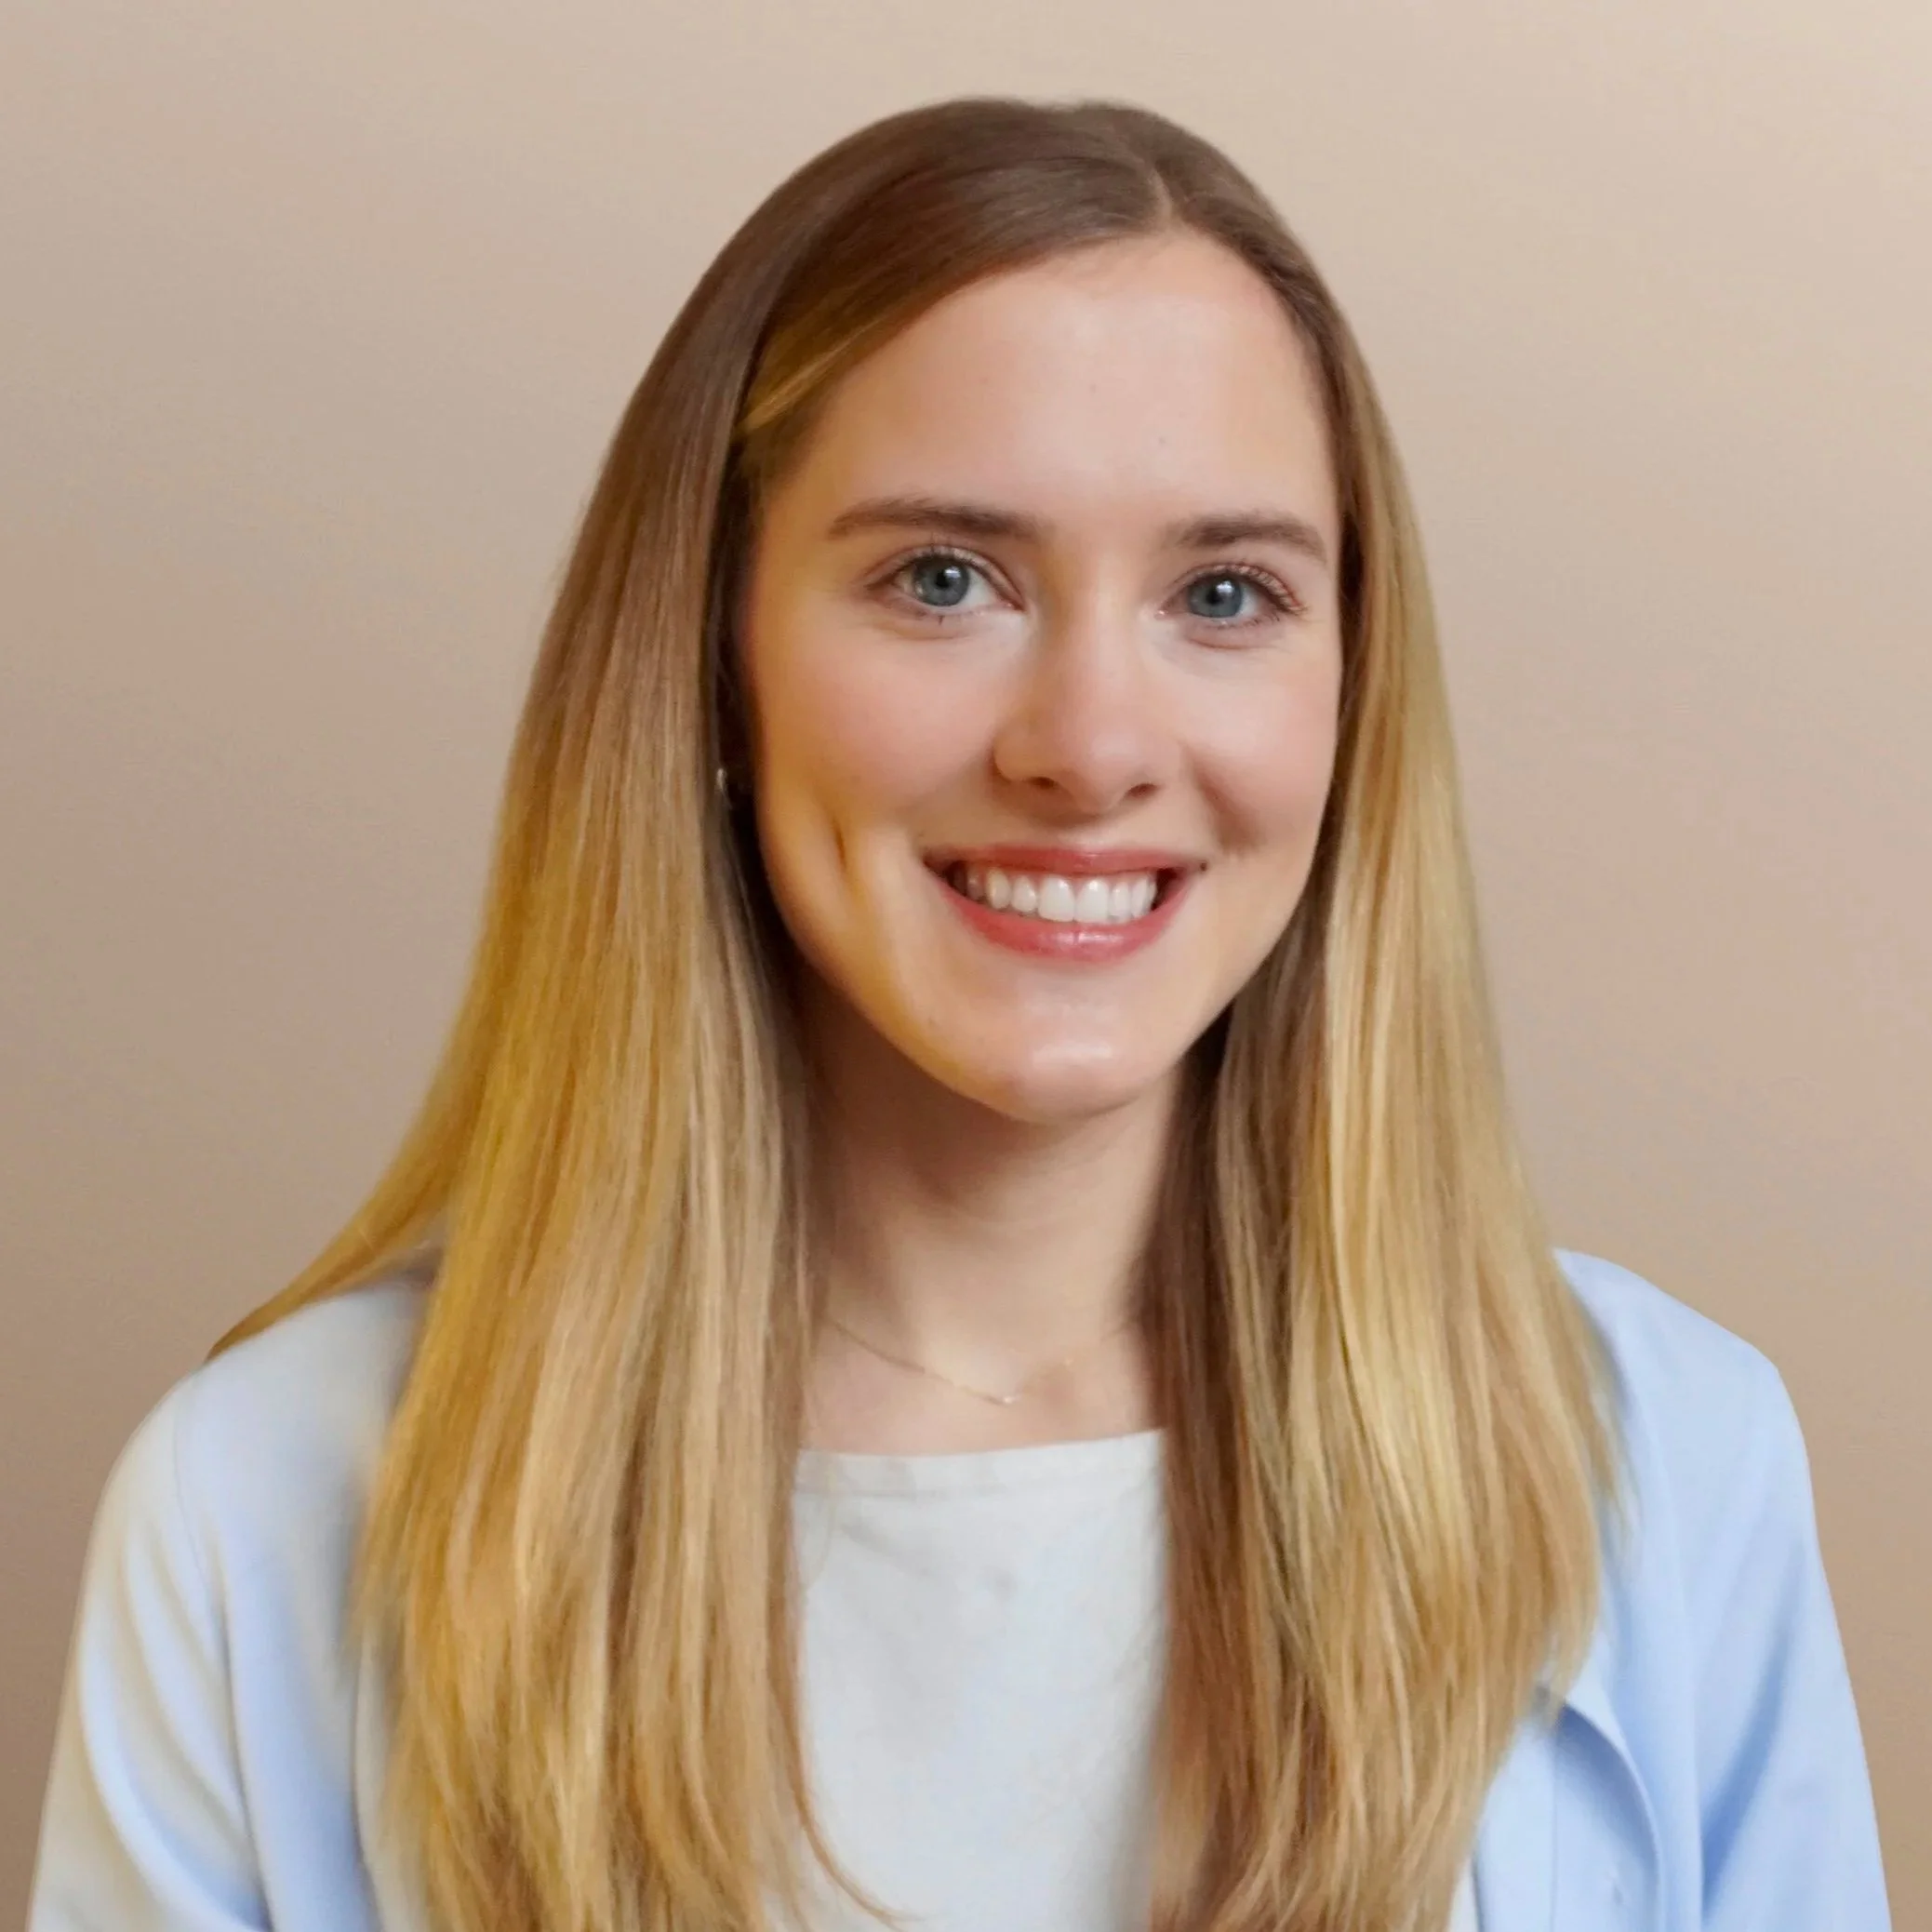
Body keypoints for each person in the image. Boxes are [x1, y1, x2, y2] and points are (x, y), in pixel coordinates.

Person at [28, 96, 1889, 1932]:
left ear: (1352, 690)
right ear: (709, 660)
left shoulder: (1661, 1464)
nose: (1088, 747)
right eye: (943, 580)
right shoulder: (265, 1512)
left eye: (1224, 593)